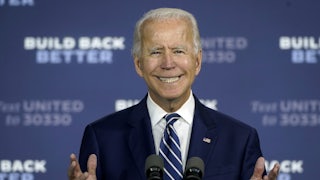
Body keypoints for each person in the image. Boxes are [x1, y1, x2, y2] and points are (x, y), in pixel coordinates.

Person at [68, 7, 280, 180]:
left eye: (178, 51)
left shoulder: (240, 139)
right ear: (138, 64)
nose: (168, 64)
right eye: (155, 52)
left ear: (197, 61)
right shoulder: (102, 137)